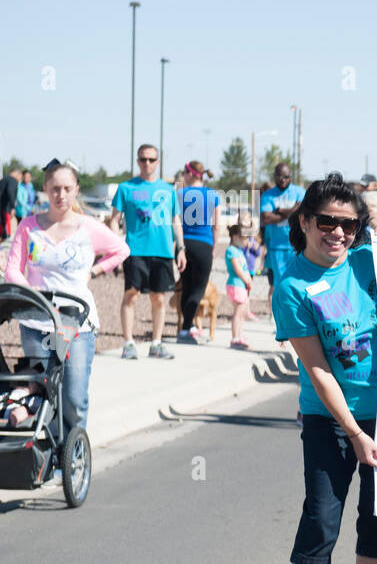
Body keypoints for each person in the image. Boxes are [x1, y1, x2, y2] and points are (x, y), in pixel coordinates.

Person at [267, 172, 377, 564]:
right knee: (321, 519)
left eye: (349, 224)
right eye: (327, 221)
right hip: (331, 422)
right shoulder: (293, 286)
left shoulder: (376, 263)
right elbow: (319, 370)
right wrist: (355, 432)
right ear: (304, 221)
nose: (339, 232)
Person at [3, 162, 130, 430]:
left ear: (76, 191)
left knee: (73, 398)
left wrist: (94, 272)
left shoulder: (90, 227)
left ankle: (74, 454)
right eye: (55, 189)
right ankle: (47, 457)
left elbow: (121, 249)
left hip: (77, 326)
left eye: (67, 189)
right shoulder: (29, 227)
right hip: (37, 323)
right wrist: (28, 289)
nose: (61, 195)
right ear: (46, 189)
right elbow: (13, 268)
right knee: (42, 393)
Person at [110, 144, 186, 359]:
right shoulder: (126, 188)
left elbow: (175, 220)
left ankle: (156, 343)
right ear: (137, 161)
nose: (147, 163)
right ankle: (128, 343)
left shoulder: (168, 190)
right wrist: (116, 248)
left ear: (158, 162)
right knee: (131, 296)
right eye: (143, 159)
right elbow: (114, 220)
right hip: (135, 251)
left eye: (151, 159)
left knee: (158, 298)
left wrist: (181, 248)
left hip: (162, 252)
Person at [176, 161, 222, 344]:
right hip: (203, 243)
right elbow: (216, 225)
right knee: (198, 288)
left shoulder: (179, 194)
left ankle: (188, 327)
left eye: (185, 173)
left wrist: (178, 246)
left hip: (184, 244)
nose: (183, 176)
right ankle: (187, 328)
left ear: (191, 174)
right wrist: (213, 247)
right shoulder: (212, 195)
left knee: (186, 286)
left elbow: (175, 220)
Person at [259, 163, 305, 310]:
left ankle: (299, 313)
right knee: (280, 284)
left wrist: (279, 211)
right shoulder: (268, 195)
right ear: (274, 177)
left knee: (299, 282)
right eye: (280, 177)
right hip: (276, 247)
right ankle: (282, 316)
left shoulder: (300, 192)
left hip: (298, 245)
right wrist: (292, 210)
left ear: (290, 176)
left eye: (286, 176)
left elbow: (303, 215)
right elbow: (266, 218)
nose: (283, 180)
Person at [224, 223, 256, 349]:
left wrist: (248, 281)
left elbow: (245, 269)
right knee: (238, 312)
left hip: (241, 285)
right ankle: (235, 338)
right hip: (236, 284)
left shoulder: (239, 251)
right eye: (245, 238)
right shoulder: (231, 251)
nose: (247, 241)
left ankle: (239, 335)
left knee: (242, 312)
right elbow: (238, 270)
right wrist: (247, 280)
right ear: (236, 237)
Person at [0, 168, 18, 240]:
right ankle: (7, 239)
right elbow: (10, 192)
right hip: (5, 207)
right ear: (16, 174)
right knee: (6, 227)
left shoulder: (4, 179)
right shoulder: (12, 180)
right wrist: (13, 207)